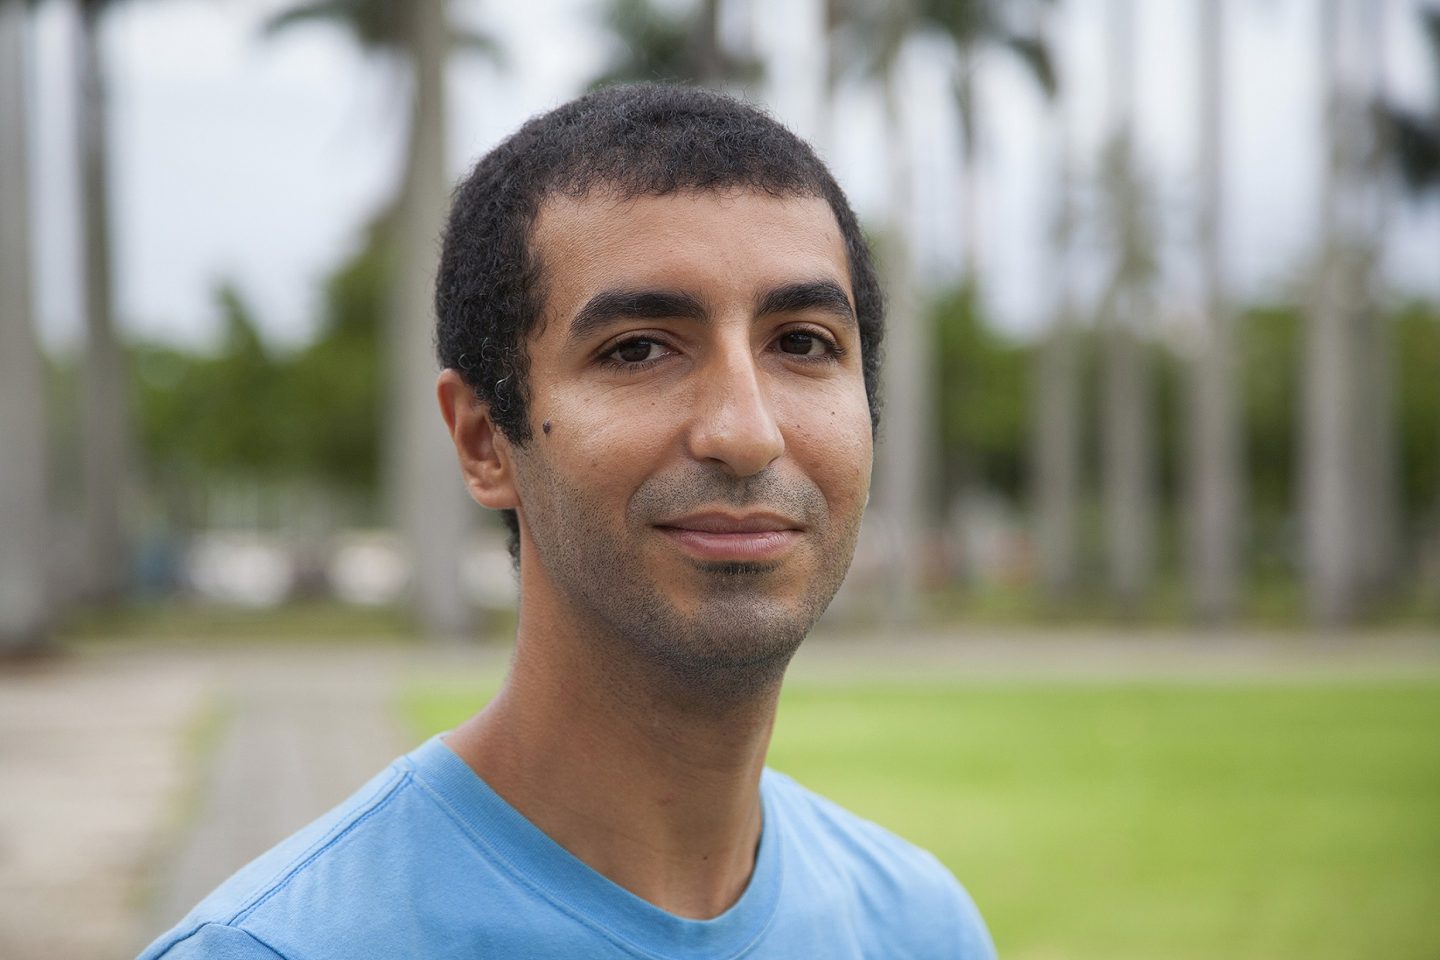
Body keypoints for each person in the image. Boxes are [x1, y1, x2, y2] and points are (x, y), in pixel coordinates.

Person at [138, 84, 995, 960]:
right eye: (638, 349)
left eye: (803, 342)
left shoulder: (918, 927)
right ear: (484, 441)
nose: (746, 432)